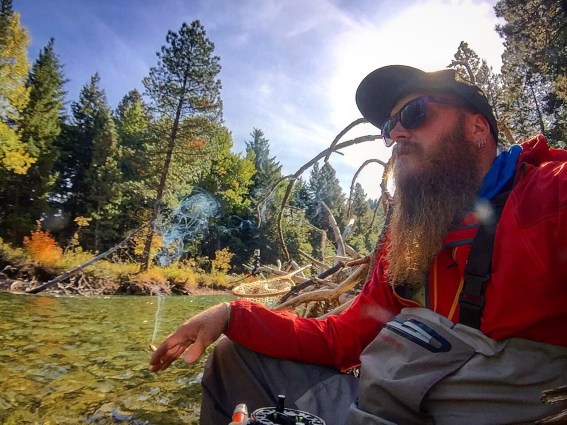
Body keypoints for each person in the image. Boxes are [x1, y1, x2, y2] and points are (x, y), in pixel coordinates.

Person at [150, 65, 567, 425]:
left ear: (477, 128)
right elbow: (341, 339)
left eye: (415, 113)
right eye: (389, 127)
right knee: (232, 356)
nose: (396, 132)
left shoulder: (550, 196)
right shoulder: (408, 236)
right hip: (382, 406)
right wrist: (231, 315)